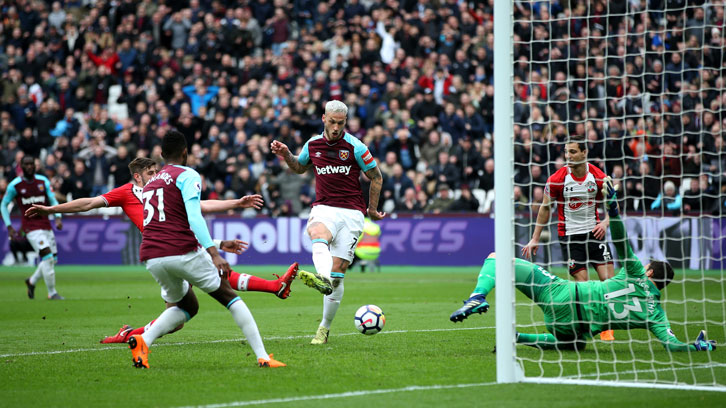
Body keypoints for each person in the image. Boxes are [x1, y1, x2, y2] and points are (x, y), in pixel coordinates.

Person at [26, 157, 301, 344]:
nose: (156, 175)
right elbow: (88, 204)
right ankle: (273, 287)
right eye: (150, 173)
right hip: (162, 251)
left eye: (157, 171)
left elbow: (199, 206)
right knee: (199, 295)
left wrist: (236, 204)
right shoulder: (125, 193)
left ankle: (131, 336)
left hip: (177, 246)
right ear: (137, 177)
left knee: (183, 312)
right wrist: (51, 209)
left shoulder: (165, 187)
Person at [450, 178, 717, 352]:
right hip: (572, 328)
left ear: (648, 271)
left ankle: (477, 297)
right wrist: (696, 347)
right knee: (576, 344)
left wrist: (612, 211)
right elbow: (673, 345)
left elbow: (622, 242)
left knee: (497, 259)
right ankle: (518, 337)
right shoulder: (656, 314)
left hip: (563, 295)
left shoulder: (635, 272)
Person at [128, 129, 284, 368]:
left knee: (188, 306)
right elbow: (194, 217)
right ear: (185, 152)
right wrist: (215, 254)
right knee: (229, 296)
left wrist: (232, 211)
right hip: (181, 251)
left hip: (152, 257)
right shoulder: (187, 174)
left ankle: (144, 340)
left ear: (160, 154)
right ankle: (263, 356)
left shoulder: (151, 184)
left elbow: (180, 213)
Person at [271, 100, 385, 344]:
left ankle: (324, 327)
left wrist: (372, 209)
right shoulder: (313, 144)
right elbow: (300, 167)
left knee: (338, 276)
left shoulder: (355, 147)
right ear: (324, 118)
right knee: (316, 232)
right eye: (332, 122)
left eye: (340, 123)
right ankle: (321, 277)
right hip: (324, 207)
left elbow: (376, 177)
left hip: (352, 213)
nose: (335, 128)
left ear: (346, 122)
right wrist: (285, 154)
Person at [522, 135, 616, 341]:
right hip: (570, 237)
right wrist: (534, 238)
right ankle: (590, 326)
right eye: (566, 152)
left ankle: (607, 326)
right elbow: (545, 209)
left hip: (595, 233)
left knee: (608, 282)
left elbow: (613, 204)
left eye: (573, 152)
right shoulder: (557, 179)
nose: (568, 156)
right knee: (582, 287)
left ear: (584, 152)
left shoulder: (598, 177)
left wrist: (605, 222)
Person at [1, 156, 64, 300]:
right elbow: (3, 205)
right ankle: (52, 293)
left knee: (53, 260)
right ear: (21, 167)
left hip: (46, 225)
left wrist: (58, 216)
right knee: (47, 256)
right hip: (30, 227)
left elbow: (52, 199)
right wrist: (9, 225)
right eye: (26, 164)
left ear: (35, 166)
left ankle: (31, 281)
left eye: (32, 164)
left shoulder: (43, 181)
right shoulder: (15, 185)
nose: (29, 166)